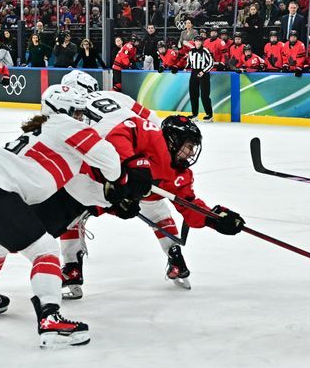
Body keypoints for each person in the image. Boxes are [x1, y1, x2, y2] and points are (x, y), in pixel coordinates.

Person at [0, 84, 128, 347]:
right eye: (77, 111)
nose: (81, 117)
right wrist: (117, 184)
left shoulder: (40, 130)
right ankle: (50, 320)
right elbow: (110, 160)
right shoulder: (65, 124)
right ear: (63, 109)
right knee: (45, 250)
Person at [105, 114, 245, 289]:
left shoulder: (181, 175)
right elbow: (119, 134)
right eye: (189, 146)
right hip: (111, 186)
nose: (192, 152)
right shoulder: (152, 138)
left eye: (193, 147)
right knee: (81, 205)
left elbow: (189, 207)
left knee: (159, 212)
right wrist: (131, 162)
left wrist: (215, 219)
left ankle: (175, 256)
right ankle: (73, 265)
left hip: (141, 197)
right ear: (173, 141)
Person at [185, 37, 215, 121]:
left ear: (202, 42)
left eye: (199, 41)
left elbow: (211, 63)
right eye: (196, 41)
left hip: (203, 74)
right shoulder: (191, 51)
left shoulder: (205, 50)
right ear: (194, 42)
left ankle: (209, 115)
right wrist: (185, 67)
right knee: (193, 94)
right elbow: (189, 62)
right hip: (194, 73)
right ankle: (195, 114)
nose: (198, 42)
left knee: (204, 95)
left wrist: (203, 71)